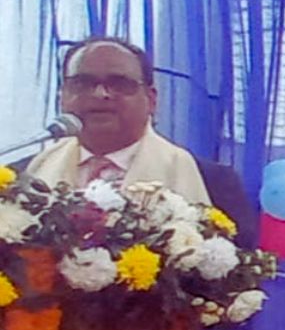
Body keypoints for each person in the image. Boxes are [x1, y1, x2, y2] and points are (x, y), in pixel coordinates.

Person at [22, 37, 257, 245]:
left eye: (119, 84)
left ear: (151, 100)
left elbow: (237, 274)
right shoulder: (25, 176)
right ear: (62, 97)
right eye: (82, 83)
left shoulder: (215, 182)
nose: (100, 94)